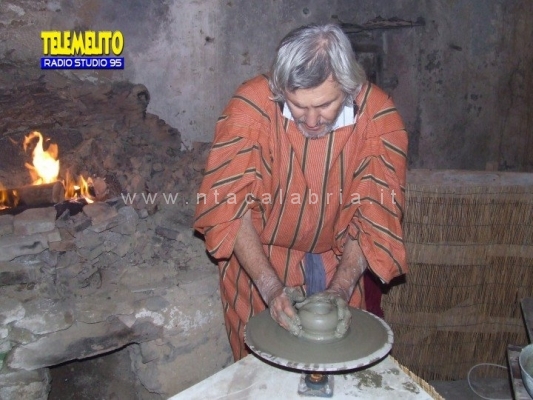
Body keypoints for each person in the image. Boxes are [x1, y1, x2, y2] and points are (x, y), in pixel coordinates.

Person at [194, 23, 408, 361]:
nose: (310, 121)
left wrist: (341, 288)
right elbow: (229, 209)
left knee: (340, 360)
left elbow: (373, 217)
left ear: (350, 88)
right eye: (297, 105)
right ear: (280, 88)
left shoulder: (378, 119)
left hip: (338, 256)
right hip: (259, 257)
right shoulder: (251, 108)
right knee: (262, 365)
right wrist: (270, 287)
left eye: (324, 105)